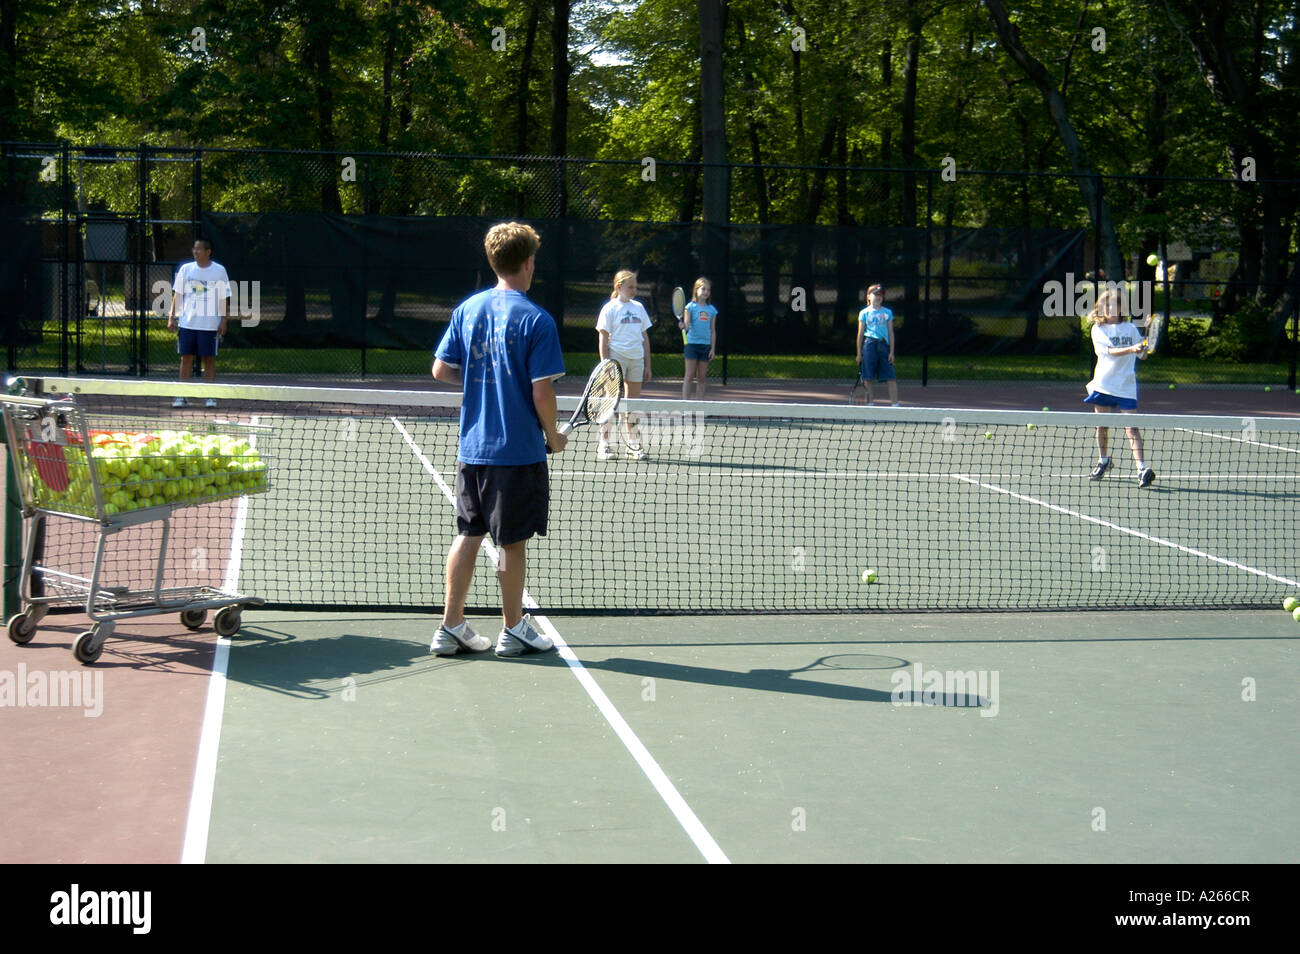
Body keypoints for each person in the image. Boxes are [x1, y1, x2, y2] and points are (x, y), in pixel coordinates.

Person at [430, 222, 567, 657]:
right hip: (517, 452)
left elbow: (440, 370)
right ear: (529, 263)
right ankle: (513, 629)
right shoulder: (537, 319)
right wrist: (554, 434)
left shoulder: (468, 310)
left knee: (469, 534)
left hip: (472, 449)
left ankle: (450, 627)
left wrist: (479, 382)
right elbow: (542, 392)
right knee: (511, 545)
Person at [1084, 287, 1155, 488]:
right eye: (1105, 304)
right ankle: (1103, 460)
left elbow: (1142, 356)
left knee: (1131, 428)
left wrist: (1142, 349)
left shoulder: (1131, 329)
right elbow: (1109, 352)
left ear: (1121, 308)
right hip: (1104, 384)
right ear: (1100, 308)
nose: (1109, 308)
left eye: (1114, 304)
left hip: (1126, 386)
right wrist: (1132, 348)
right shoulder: (1098, 329)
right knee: (1102, 426)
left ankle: (1142, 469)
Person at [595, 269, 653, 460]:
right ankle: (604, 445)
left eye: (636, 286)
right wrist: (605, 364)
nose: (634, 290)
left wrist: (648, 364)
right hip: (616, 359)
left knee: (633, 405)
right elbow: (603, 337)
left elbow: (645, 338)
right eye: (631, 287)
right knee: (610, 403)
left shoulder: (639, 307)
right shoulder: (609, 308)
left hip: (636, 360)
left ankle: (633, 444)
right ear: (619, 287)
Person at [167, 239, 230, 408]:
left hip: (210, 325)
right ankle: (182, 395)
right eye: (194, 249)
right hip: (187, 324)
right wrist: (171, 317)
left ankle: (210, 396)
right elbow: (177, 295)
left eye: (199, 250)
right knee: (185, 359)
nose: (195, 252)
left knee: (208, 360)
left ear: (208, 251)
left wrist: (224, 320)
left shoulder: (219, 271)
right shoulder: (186, 269)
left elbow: (224, 297)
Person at [855, 283, 899, 406]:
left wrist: (891, 352)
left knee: (891, 376)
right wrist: (859, 353)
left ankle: (895, 404)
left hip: (883, 346)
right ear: (868, 296)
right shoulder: (864, 313)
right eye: (875, 294)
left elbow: (891, 333)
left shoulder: (888, 312)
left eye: (881, 295)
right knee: (868, 376)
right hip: (869, 346)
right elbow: (860, 333)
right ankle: (870, 404)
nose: (878, 297)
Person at [680, 277, 718, 399]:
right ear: (696, 290)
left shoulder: (712, 310)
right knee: (689, 376)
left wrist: (712, 349)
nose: (706, 292)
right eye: (703, 289)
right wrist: (682, 325)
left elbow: (713, 331)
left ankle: (699, 406)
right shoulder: (689, 307)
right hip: (691, 345)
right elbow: (686, 326)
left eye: (709, 290)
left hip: (705, 346)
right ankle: (685, 405)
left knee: (702, 378)